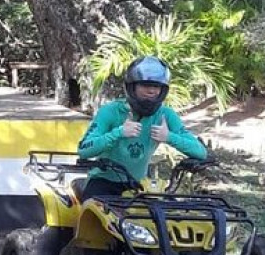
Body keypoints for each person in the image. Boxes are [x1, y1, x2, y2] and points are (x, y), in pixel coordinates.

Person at [77, 55, 207, 199]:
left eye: (156, 86)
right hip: (103, 182)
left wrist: (169, 137)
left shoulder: (165, 115)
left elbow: (200, 152)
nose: (151, 91)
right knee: (92, 215)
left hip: (139, 185)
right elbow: (84, 150)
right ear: (132, 87)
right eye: (145, 85)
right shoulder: (111, 111)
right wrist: (119, 133)